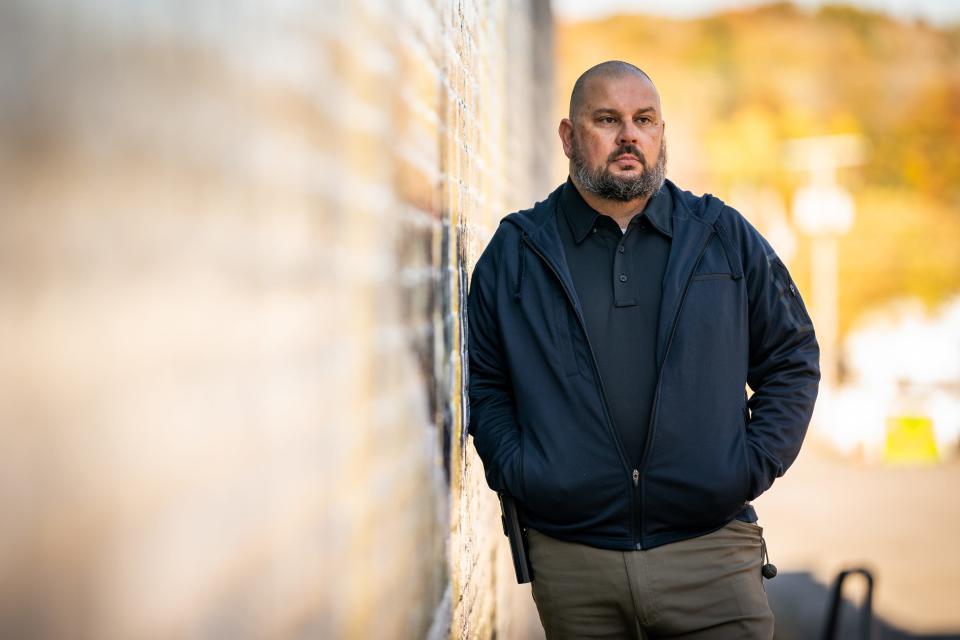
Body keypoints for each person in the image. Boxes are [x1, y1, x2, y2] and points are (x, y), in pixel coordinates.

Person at [466, 60, 820, 639]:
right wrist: (523, 472)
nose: (629, 134)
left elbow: (792, 358)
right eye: (607, 119)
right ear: (568, 136)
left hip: (711, 557)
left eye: (644, 119)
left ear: (661, 133)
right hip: (574, 564)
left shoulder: (722, 236)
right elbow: (486, 382)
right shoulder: (519, 251)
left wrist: (746, 467)